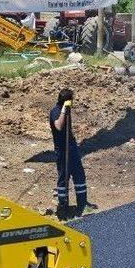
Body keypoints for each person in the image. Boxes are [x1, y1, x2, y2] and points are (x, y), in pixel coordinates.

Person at [49, 89, 98, 220]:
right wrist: (64, 110)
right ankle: (63, 205)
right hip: (62, 150)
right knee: (64, 177)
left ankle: (82, 203)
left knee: (79, 175)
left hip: (72, 148)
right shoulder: (56, 111)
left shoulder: (67, 111)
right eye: (71, 100)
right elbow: (59, 126)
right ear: (66, 101)